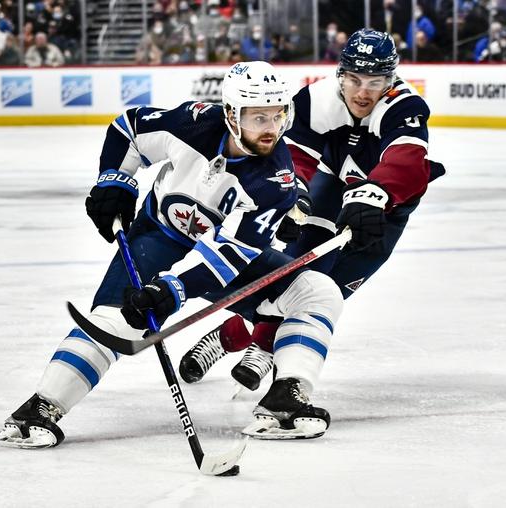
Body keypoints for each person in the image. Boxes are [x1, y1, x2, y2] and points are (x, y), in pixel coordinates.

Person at [0, 61, 343, 448]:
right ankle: (40, 408)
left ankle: (284, 400)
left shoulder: (274, 179)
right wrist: (116, 181)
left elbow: (229, 255)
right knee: (117, 320)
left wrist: (173, 288)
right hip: (157, 238)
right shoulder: (193, 122)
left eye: (279, 116)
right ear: (230, 114)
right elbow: (129, 128)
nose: (272, 128)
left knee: (316, 291)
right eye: (258, 117)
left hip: (222, 260)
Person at [179, 29, 445, 391]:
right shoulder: (317, 98)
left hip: (387, 206)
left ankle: (237, 337)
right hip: (333, 185)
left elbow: (407, 159)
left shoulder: (405, 105)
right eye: (353, 79)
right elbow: (295, 159)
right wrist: (295, 198)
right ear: (341, 74)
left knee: (331, 291)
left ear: (391, 78)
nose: (362, 92)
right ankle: (255, 345)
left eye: (375, 80)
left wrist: (376, 193)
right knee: (299, 278)